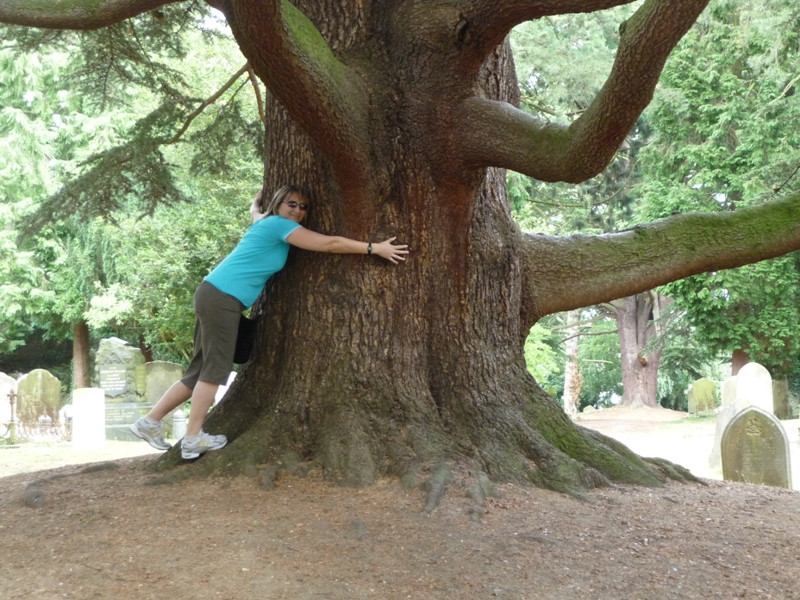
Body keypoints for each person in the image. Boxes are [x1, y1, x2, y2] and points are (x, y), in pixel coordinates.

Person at [130, 185, 408, 459]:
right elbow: (329, 243)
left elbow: (254, 213)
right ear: (278, 205)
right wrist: (374, 248)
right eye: (292, 204)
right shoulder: (277, 226)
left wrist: (255, 202)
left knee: (199, 370)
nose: (298, 210)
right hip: (223, 298)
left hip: (214, 294)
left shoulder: (265, 222)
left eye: (303, 206)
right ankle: (192, 439)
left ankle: (150, 422)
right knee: (215, 370)